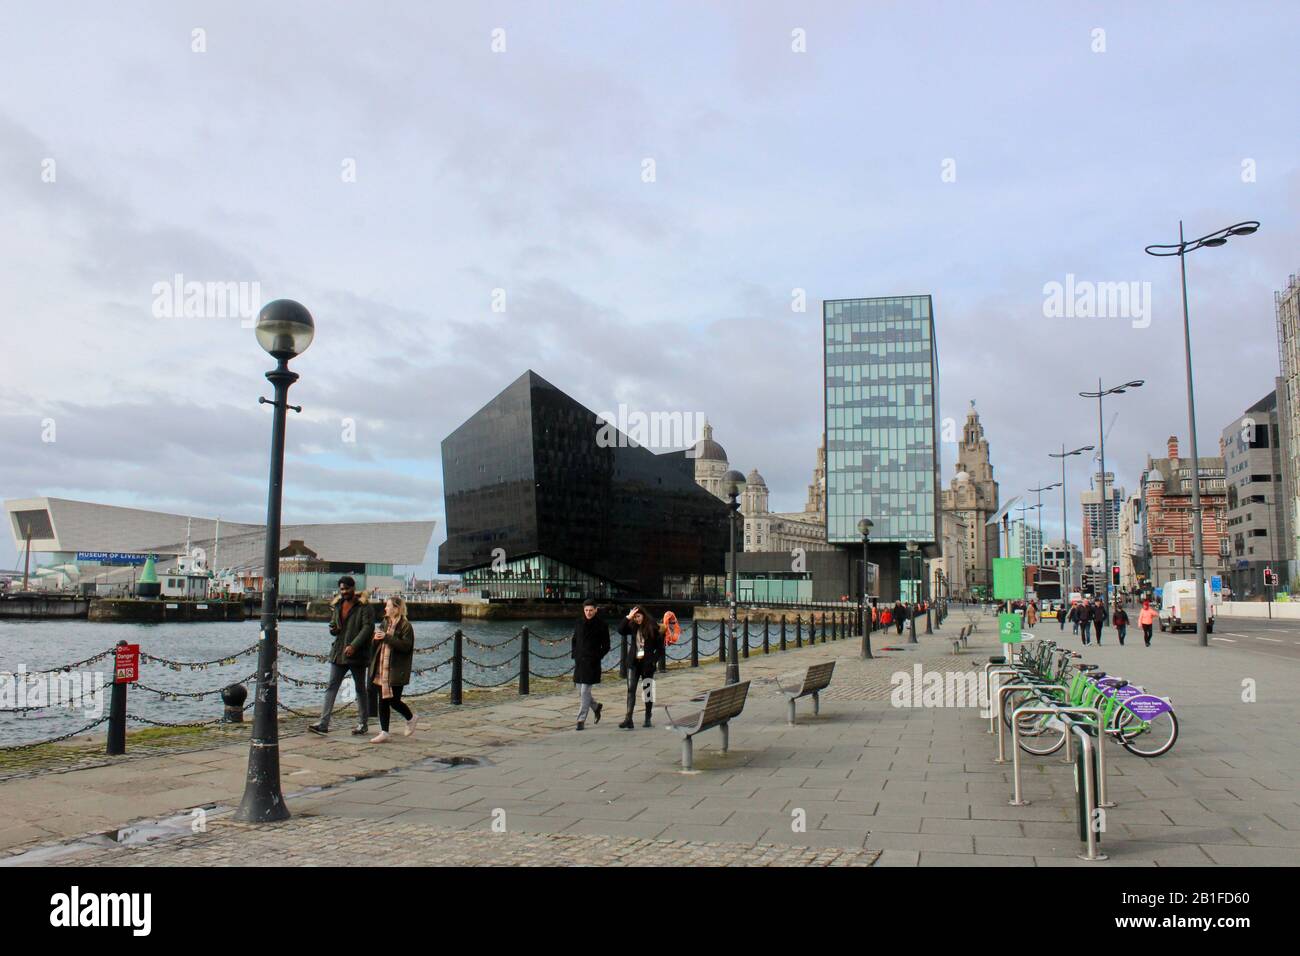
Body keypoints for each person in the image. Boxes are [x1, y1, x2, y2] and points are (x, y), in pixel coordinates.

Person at [310, 576, 374, 736]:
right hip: (339, 653)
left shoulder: (364, 607)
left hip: (357, 655)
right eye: (342, 589)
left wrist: (354, 645)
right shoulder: (338, 605)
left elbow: (368, 628)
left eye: (346, 589)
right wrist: (333, 628)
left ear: (353, 588)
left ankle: (362, 723)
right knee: (331, 687)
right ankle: (323, 723)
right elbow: (335, 625)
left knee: (360, 689)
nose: (344, 592)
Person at [369, 595, 417, 743]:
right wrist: (375, 639)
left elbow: (405, 646)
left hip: (396, 669)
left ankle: (411, 718)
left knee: (393, 701)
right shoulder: (385, 622)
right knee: (382, 700)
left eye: (388, 606)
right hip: (381, 667)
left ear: (396, 609)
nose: (385, 608)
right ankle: (384, 732)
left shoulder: (405, 626)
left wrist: (386, 637)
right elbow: (378, 644)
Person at [617, 606, 664, 729]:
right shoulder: (632, 626)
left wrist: (653, 661)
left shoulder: (653, 627)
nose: (637, 619)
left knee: (647, 690)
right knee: (630, 690)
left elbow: (660, 649)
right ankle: (628, 718)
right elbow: (620, 630)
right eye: (635, 617)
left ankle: (648, 716)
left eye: (638, 616)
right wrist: (628, 617)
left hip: (647, 664)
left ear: (644, 615)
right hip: (633, 663)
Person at [571, 597, 610, 730]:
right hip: (580, 661)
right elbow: (575, 639)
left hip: (592, 662)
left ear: (596, 610)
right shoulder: (578, 622)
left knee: (584, 691)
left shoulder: (602, 625)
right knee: (579, 691)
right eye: (586, 610)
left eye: (591, 610)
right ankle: (596, 706)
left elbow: (606, 646)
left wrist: (596, 657)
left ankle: (580, 720)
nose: (588, 612)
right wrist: (575, 655)